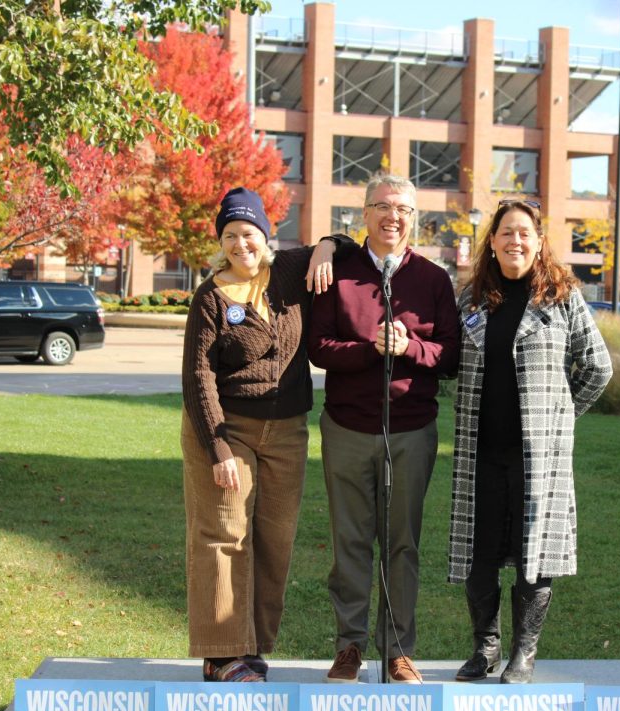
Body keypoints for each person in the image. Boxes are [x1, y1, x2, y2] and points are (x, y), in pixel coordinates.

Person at [181, 187, 353, 683]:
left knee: (275, 540)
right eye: (231, 235)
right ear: (222, 241)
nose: (241, 244)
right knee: (224, 535)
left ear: (266, 235)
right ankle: (220, 656)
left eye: (249, 233)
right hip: (225, 428)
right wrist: (217, 449)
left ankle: (250, 647)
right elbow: (198, 379)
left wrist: (324, 245)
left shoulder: (290, 272)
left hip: (288, 431)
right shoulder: (211, 296)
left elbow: (345, 244)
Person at [448, 199, 612, 684]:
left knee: (533, 555)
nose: (514, 241)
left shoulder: (562, 298)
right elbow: (450, 362)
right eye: (505, 233)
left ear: (539, 241)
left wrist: (562, 418)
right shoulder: (471, 300)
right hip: (480, 455)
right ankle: (486, 649)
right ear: (492, 242)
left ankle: (524, 654)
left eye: (524, 233)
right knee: (478, 556)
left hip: (538, 460)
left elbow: (599, 366)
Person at [309, 174, 461, 684]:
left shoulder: (434, 279)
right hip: (347, 429)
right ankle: (349, 647)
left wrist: (408, 349)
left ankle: (397, 651)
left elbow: (450, 354)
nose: (392, 216)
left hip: (412, 432)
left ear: (413, 218)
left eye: (403, 209)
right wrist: (367, 350)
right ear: (364, 213)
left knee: (402, 545)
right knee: (350, 542)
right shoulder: (338, 271)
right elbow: (319, 346)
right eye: (382, 206)